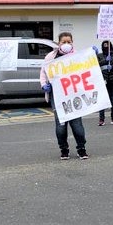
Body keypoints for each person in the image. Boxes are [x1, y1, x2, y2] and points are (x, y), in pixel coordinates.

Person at [40, 32, 89, 160]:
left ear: (72, 42)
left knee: (77, 126)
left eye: (69, 42)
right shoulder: (50, 57)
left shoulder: (78, 56)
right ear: (59, 43)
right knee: (61, 127)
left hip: (74, 95)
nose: (66, 44)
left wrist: (92, 55)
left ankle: (81, 148)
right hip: (57, 97)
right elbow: (43, 73)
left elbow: (87, 69)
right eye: (64, 42)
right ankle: (64, 149)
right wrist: (44, 84)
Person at [96, 40, 113, 126]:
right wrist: (105, 61)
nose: (106, 47)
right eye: (104, 45)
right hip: (103, 81)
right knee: (102, 101)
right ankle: (101, 120)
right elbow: (95, 65)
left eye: (107, 45)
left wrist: (112, 66)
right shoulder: (99, 56)